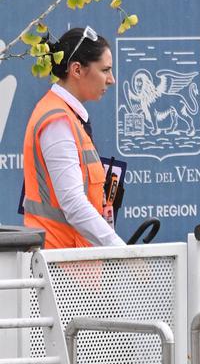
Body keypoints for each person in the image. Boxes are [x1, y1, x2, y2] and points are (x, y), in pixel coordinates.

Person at [22, 27, 125, 248]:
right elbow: (73, 204)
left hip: (73, 267)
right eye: (105, 70)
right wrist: (122, 251)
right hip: (61, 268)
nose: (111, 80)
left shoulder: (67, 117)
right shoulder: (57, 121)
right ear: (77, 70)